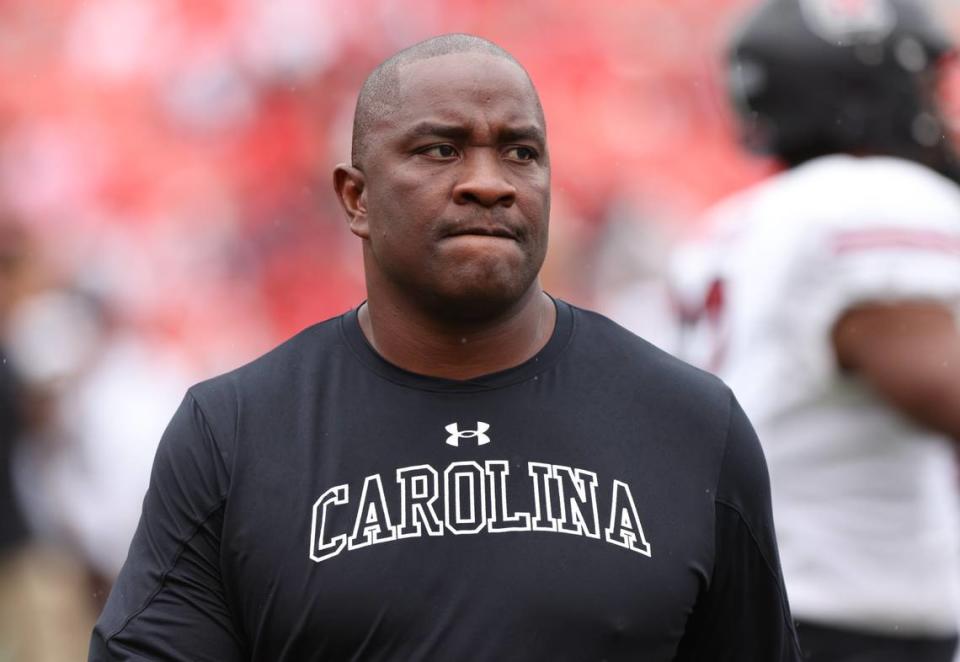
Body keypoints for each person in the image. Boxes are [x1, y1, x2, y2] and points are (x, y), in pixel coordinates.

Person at [89, 34, 800, 661]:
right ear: (355, 199)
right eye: (442, 150)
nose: (489, 183)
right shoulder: (235, 434)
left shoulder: (692, 424)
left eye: (520, 152)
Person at [668, 1, 960, 660]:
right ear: (872, 89)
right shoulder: (873, 199)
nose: (942, 109)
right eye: (928, 87)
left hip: (757, 589)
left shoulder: (732, 225)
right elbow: (940, 389)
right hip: (846, 611)